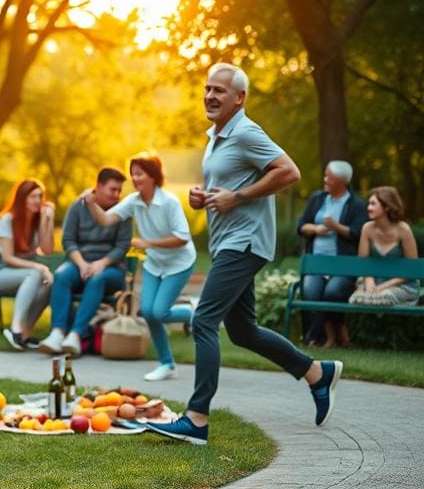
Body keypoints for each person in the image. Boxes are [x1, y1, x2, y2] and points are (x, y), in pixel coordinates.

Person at [146, 63, 342, 446]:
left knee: (203, 320)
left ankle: (196, 419)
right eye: (207, 89)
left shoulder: (247, 132)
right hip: (227, 242)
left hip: (245, 242)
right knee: (243, 331)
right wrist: (203, 196)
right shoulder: (217, 135)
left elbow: (289, 172)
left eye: (220, 90)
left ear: (240, 98)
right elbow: (229, 184)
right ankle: (317, 373)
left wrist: (238, 197)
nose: (210, 96)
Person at [78, 153, 197, 380]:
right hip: (154, 264)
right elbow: (105, 220)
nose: (134, 178)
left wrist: (147, 242)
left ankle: (194, 313)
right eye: (133, 173)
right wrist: (92, 203)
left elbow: (182, 237)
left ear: (153, 176)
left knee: (159, 312)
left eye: (139, 173)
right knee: (149, 312)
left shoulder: (169, 202)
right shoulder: (134, 201)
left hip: (178, 263)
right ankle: (167, 364)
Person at [38, 168, 131, 358]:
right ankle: (57, 333)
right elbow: (68, 240)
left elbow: (122, 246)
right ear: (98, 187)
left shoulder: (123, 211)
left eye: (119, 190)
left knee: (97, 279)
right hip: (79, 263)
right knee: (62, 275)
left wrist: (101, 263)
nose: (116, 195)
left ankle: (75, 335)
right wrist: (81, 264)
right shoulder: (78, 207)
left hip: (111, 269)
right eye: (112, 189)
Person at [0, 178, 56, 350]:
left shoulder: (37, 221)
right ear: (22, 198)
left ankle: (25, 335)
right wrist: (40, 267)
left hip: (25, 277)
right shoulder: (8, 220)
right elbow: (7, 258)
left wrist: (47, 220)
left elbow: (47, 250)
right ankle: (16, 329)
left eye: (40, 196)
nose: (38, 201)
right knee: (36, 274)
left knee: (50, 283)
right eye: (33, 196)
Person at [297, 161, 368, 347]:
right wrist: (316, 229)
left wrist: (336, 227)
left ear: (342, 181)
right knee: (310, 293)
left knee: (333, 292)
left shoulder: (356, 205)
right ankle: (314, 338)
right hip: (316, 262)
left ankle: (334, 332)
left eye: (329, 177)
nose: (325, 179)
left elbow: (358, 233)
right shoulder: (317, 198)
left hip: (343, 264)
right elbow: (301, 225)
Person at [349, 186, 419, 306]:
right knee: (356, 299)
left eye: (373, 204)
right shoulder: (367, 228)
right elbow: (363, 262)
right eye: (369, 204)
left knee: (381, 298)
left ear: (386, 207)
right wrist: (370, 281)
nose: (369, 208)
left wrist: (382, 287)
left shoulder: (403, 230)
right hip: (374, 281)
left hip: (399, 284)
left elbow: (411, 269)